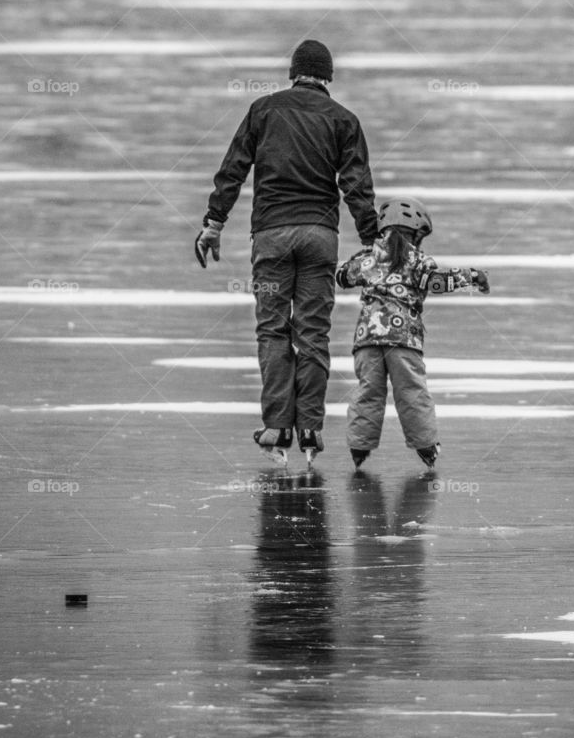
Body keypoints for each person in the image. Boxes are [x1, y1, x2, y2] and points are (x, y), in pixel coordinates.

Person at [195, 40, 379, 464]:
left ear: (293, 72)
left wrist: (213, 223)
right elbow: (357, 187)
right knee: (313, 333)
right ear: (328, 76)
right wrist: (371, 240)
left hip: (272, 237)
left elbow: (233, 169)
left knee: (274, 329)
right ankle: (310, 429)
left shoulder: (264, 110)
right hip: (320, 238)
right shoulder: (344, 120)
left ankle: (277, 427)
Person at [335, 196, 489, 471]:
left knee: (368, 392)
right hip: (404, 340)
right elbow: (439, 282)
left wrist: (353, 262)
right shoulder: (418, 261)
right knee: (411, 392)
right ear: (415, 234)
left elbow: (342, 277)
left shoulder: (367, 259)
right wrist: (472, 277)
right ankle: (426, 447)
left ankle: (359, 448)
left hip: (366, 340)